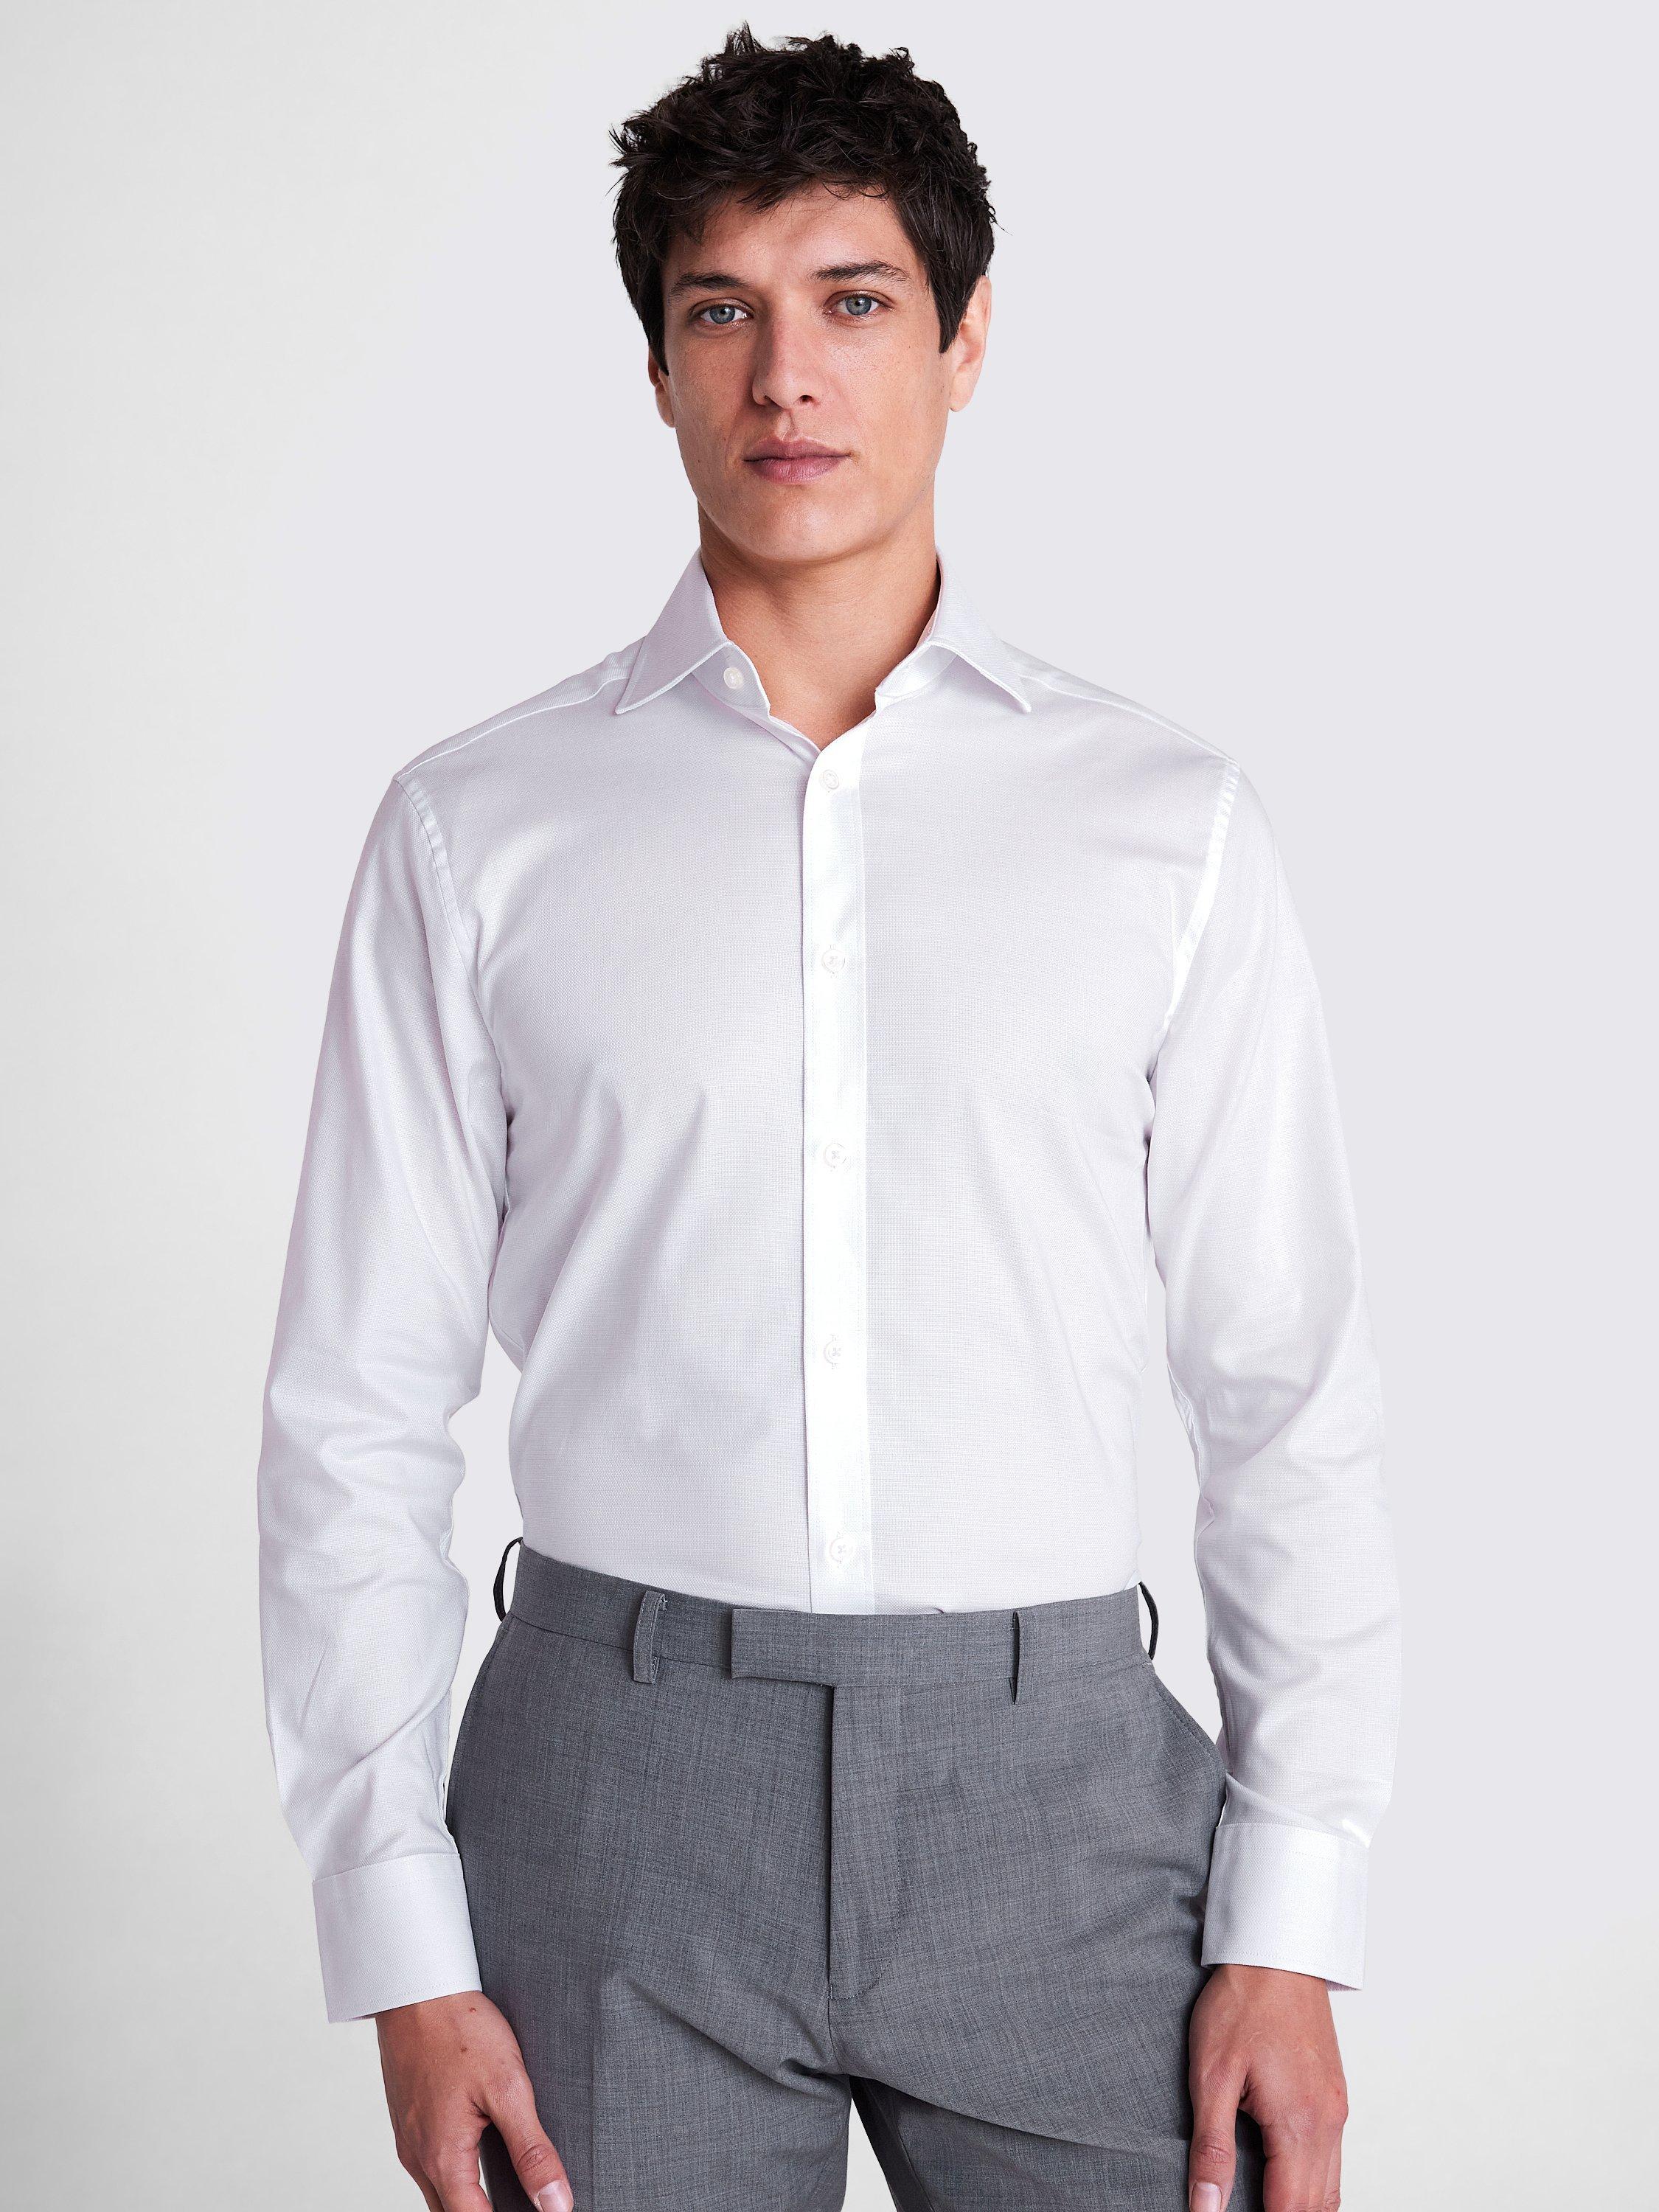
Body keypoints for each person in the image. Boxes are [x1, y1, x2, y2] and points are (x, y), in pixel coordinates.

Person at [257, 25, 1400, 2212]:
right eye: (722, 311)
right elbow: (358, 1403)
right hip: (611, 1802)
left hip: (1065, 1802)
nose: (788, 376)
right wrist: (399, 1942)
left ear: (963, 344)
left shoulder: (1163, 825)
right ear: (658, 369)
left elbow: (1284, 1388)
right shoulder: (479, 829)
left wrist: (1292, 1914)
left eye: (853, 302)